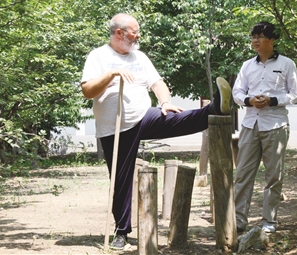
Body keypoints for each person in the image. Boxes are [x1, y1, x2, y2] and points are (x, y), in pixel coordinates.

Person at [80, 13, 231, 250]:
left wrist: (164, 102)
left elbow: (157, 83)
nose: (138, 35)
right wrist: (112, 74)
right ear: (119, 33)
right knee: (120, 180)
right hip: (114, 129)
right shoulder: (98, 56)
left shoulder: (139, 57)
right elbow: (88, 91)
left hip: (143, 115)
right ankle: (122, 231)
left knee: (178, 118)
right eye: (134, 31)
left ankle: (215, 108)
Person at [232, 21, 297, 234]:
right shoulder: (247, 66)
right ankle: (238, 221)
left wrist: (272, 100)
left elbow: (296, 94)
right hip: (250, 123)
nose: (255, 41)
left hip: (276, 125)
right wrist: (249, 100)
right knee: (243, 174)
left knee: (273, 175)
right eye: (253, 36)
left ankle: (269, 222)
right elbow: (237, 92)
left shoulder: (287, 64)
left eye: (260, 36)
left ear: (272, 40)